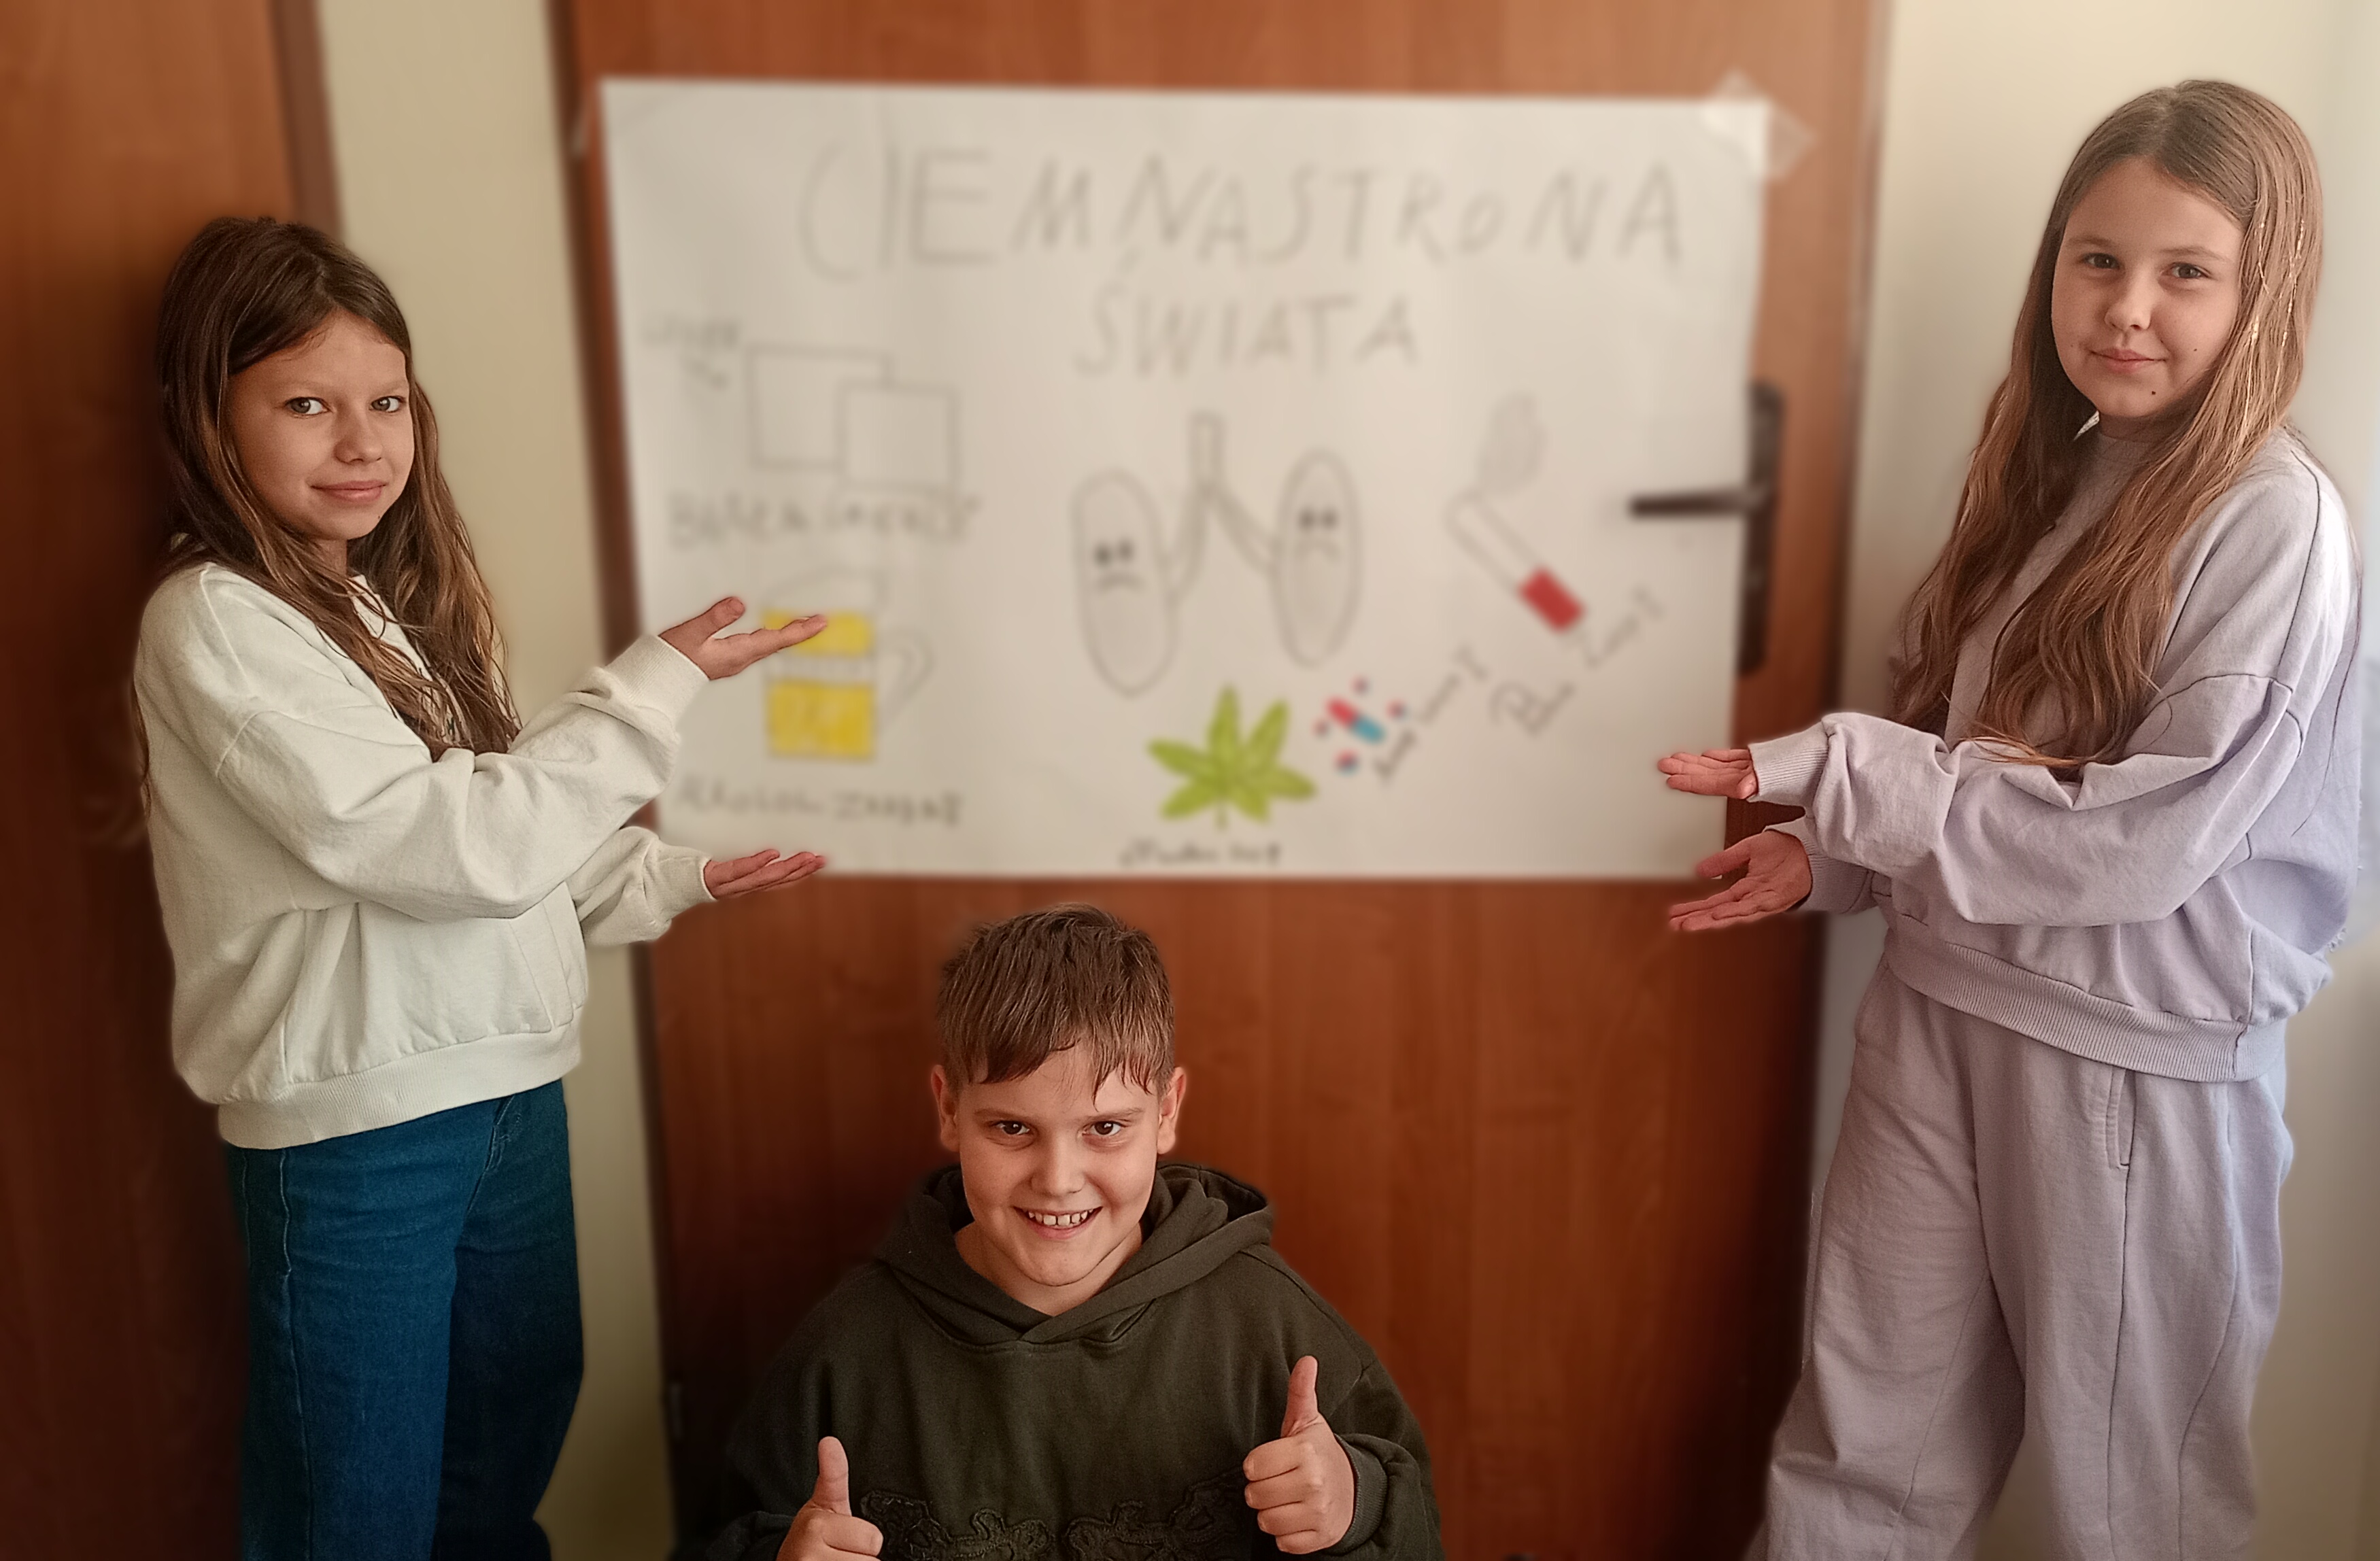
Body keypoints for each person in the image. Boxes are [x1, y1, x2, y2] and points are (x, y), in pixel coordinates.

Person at [1660, 82, 2357, 1557]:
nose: (2127, 309)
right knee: (1864, 1450)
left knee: (2139, 1507)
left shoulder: (2272, 521)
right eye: (2097, 259)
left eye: (2184, 272)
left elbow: (2142, 839)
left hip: (2129, 1067)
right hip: (1939, 1007)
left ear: (2264, 291)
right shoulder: (2054, 474)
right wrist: (1826, 857)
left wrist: (1844, 773)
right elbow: (1975, 759)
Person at [133, 216, 828, 1559]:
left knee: (499, 1459)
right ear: (212, 418)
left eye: (387, 402)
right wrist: (654, 684)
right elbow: (452, 848)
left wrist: (670, 876)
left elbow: (487, 847)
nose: (362, 441)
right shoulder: (214, 619)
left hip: (508, 1087)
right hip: (359, 1130)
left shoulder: (378, 611)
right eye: (308, 404)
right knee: (360, 1505)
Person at [708, 904, 1440, 1561]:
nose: (1058, 1180)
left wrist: (1354, 1501)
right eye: (1012, 1127)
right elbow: (732, 1530)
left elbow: (1416, 1530)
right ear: (949, 1109)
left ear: (1167, 1112)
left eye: (1106, 1128)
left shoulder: (1273, 1329)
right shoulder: (843, 1354)